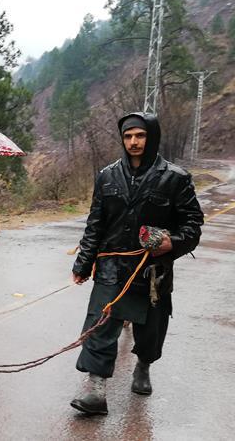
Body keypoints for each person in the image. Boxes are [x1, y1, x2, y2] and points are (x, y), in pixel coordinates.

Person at [69, 112, 203, 415]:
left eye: (139, 135)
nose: (133, 142)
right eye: (128, 136)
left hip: (152, 272)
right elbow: (95, 225)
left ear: (151, 137)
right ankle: (97, 391)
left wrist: (173, 243)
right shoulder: (107, 176)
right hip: (112, 268)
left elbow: (193, 225)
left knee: (150, 332)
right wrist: (82, 263)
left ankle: (143, 366)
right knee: (99, 327)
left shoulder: (176, 178)